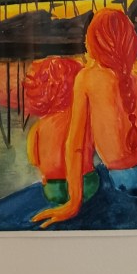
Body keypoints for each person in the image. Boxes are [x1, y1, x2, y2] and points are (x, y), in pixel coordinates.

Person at [33, 7, 137, 228]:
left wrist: (73, 203)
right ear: (130, 43)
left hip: (126, 181)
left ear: (92, 43)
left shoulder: (86, 79)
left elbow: (76, 146)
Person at [23, 56, 100, 206]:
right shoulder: (83, 120)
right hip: (86, 183)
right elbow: (94, 147)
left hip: (53, 190)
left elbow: (34, 159)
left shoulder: (38, 128)